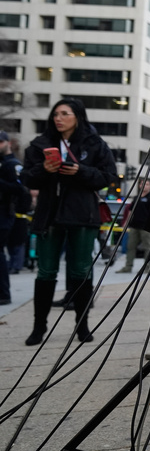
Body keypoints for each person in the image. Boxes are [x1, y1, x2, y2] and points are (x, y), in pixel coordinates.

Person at [22, 99, 117, 345]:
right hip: (50, 216)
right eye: (55, 114)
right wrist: (44, 168)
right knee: (46, 272)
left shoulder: (94, 143)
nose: (58, 118)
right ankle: (38, 327)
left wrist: (80, 171)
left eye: (65, 113)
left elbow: (108, 176)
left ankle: (82, 325)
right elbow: (27, 178)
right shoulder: (40, 144)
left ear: (78, 117)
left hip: (82, 216)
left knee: (81, 271)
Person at [0, 131, 25, 305]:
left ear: (7, 143)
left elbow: (20, 189)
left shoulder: (13, 164)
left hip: (4, 214)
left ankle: (3, 293)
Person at [116, 179, 150, 274]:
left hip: (146, 227)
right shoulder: (136, 198)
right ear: (140, 185)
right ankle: (128, 266)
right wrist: (126, 223)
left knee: (147, 247)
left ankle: (147, 267)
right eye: (142, 183)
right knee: (130, 246)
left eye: (147, 184)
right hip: (134, 226)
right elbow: (130, 211)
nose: (144, 185)